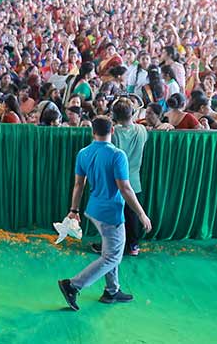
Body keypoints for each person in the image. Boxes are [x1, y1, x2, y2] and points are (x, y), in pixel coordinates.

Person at [58, 116, 152, 311]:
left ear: (93, 132)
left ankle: (111, 291)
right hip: (111, 213)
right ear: (113, 131)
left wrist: (73, 210)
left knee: (111, 251)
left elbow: (78, 185)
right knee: (112, 257)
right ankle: (72, 285)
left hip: (93, 210)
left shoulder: (83, 153)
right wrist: (142, 214)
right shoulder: (118, 155)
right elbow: (125, 188)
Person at [90, 99, 148, 256]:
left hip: (114, 181)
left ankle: (109, 246)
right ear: (132, 113)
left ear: (114, 115)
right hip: (134, 180)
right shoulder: (142, 130)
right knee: (132, 214)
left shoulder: (113, 133)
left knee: (113, 216)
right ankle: (133, 246)